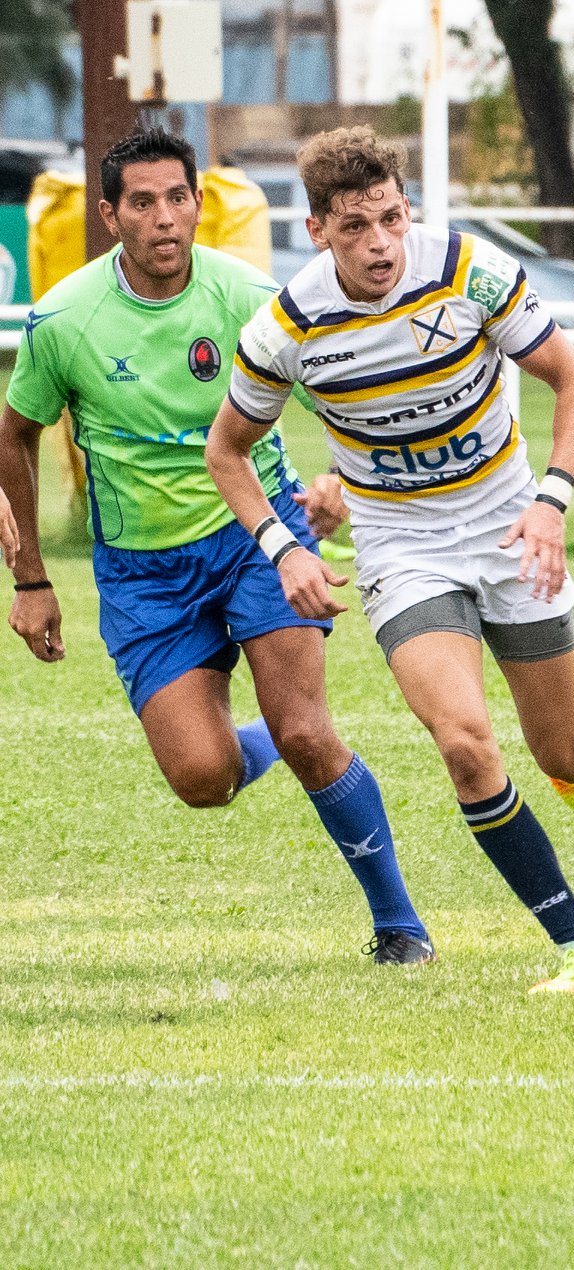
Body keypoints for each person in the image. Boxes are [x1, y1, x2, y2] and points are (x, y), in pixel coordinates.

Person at [0, 129, 432, 964]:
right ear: (110, 215)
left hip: (257, 539)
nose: (164, 219)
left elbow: (344, 388)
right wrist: (30, 579)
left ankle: (400, 926)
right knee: (203, 780)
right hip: (142, 571)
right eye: (142, 202)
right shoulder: (65, 320)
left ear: (199, 203)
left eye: (178, 198)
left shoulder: (248, 297)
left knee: (308, 730)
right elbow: (13, 431)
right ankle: (264, 738)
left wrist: (339, 480)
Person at [204, 126, 574, 994]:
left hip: (512, 525)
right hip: (403, 545)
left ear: (408, 208)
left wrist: (553, 500)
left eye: (391, 217)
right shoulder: (287, 326)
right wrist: (282, 548)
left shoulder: (469, 271)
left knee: (566, 755)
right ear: (317, 230)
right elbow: (227, 452)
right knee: (465, 744)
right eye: (354, 226)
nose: (380, 242)